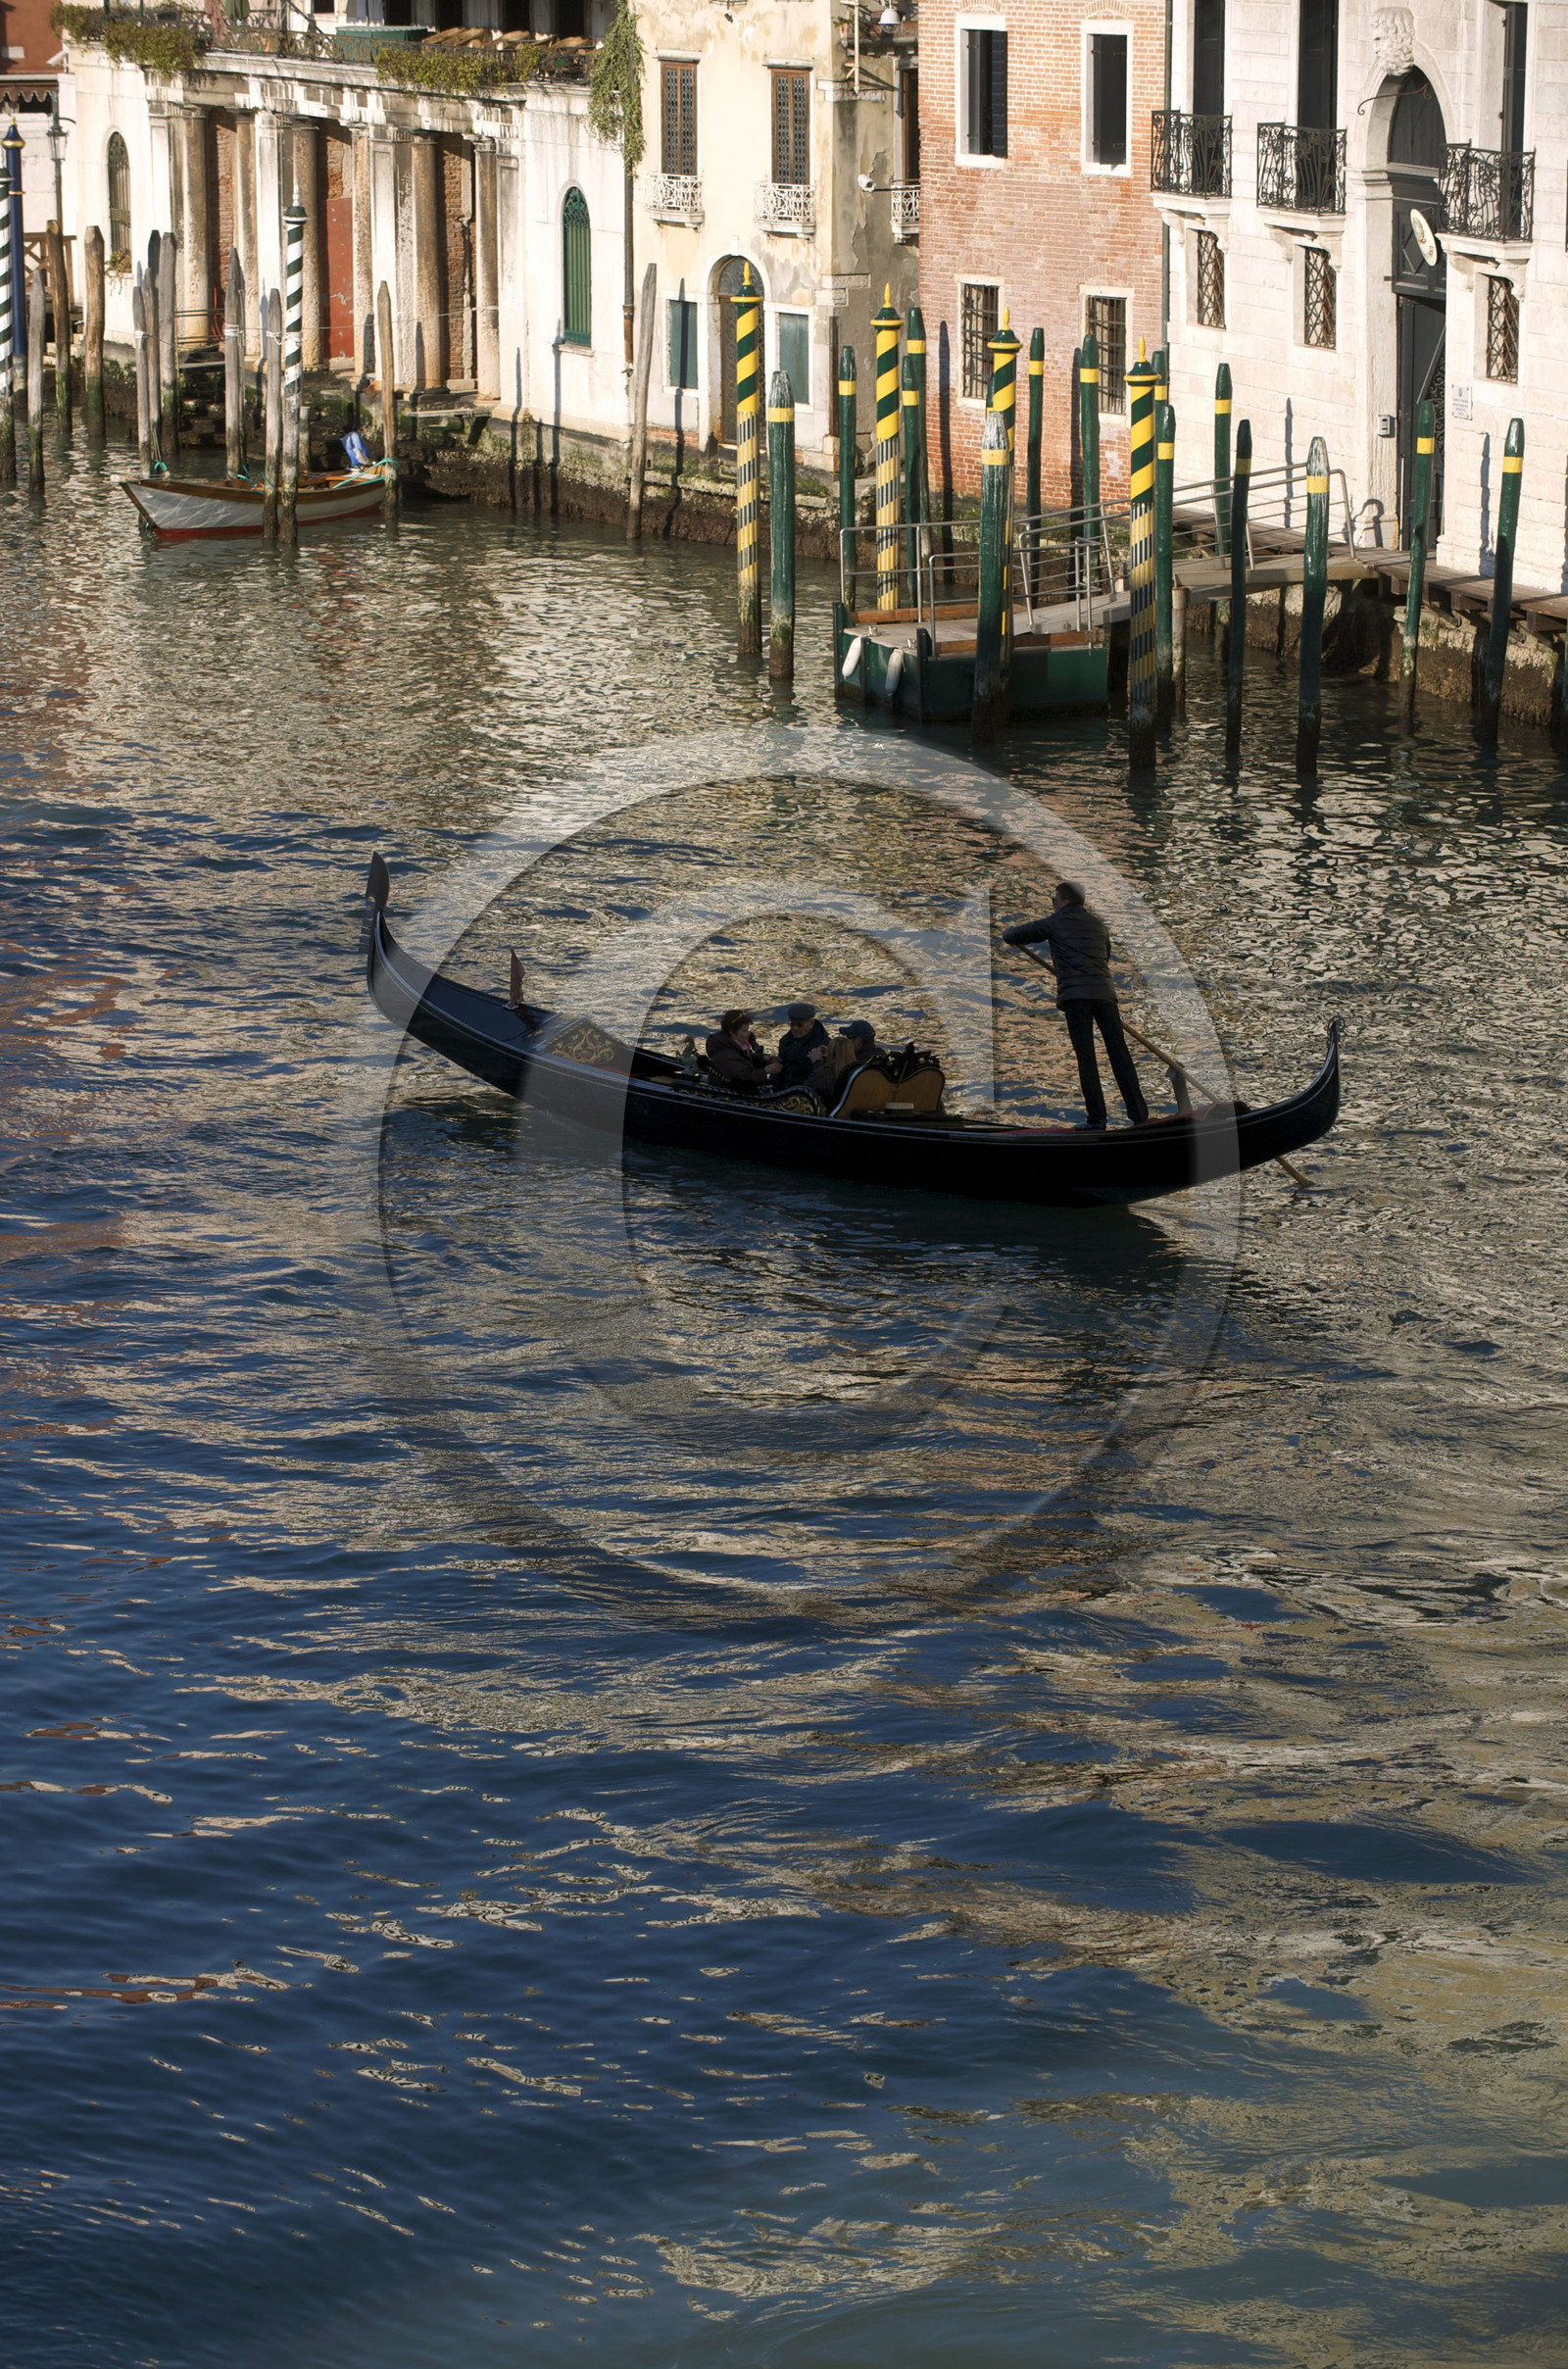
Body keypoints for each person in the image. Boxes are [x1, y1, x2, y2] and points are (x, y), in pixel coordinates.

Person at [1003, 882, 1149, 1131]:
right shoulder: (1100, 926)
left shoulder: (1055, 922)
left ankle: (1097, 1119)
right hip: (1105, 995)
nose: (1053, 903)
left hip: (1077, 998)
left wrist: (1005, 931)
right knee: (1119, 1054)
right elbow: (1104, 957)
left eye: (1054, 899)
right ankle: (1139, 1115)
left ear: (1065, 901)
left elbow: (1014, 935)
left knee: (1086, 1057)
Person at [705, 1009, 783, 1093]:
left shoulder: (737, 1046)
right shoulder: (725, 1055)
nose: (748, 1034)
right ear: (732, 1032)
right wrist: (765, 1071)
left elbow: (746, 1061)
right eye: (745, 1031)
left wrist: (764, 1059)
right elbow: (743, 1078)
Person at [808, 1016, 877, 1102]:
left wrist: (817, 1062)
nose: (846, 1040)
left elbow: (830, 1086)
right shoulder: (877, 1054)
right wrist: (832, 1053)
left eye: (848, 1038)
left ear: (858, 1041)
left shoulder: (858, 1065)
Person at [777, 1002, 830, 1086]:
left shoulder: (823, 1045)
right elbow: (780, 1069)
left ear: (811, 1024)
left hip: (807, 1089)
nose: (795, 1028)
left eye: (800, 1025)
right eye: (792, 1024)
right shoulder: (786, 1041)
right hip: (785, 1087)